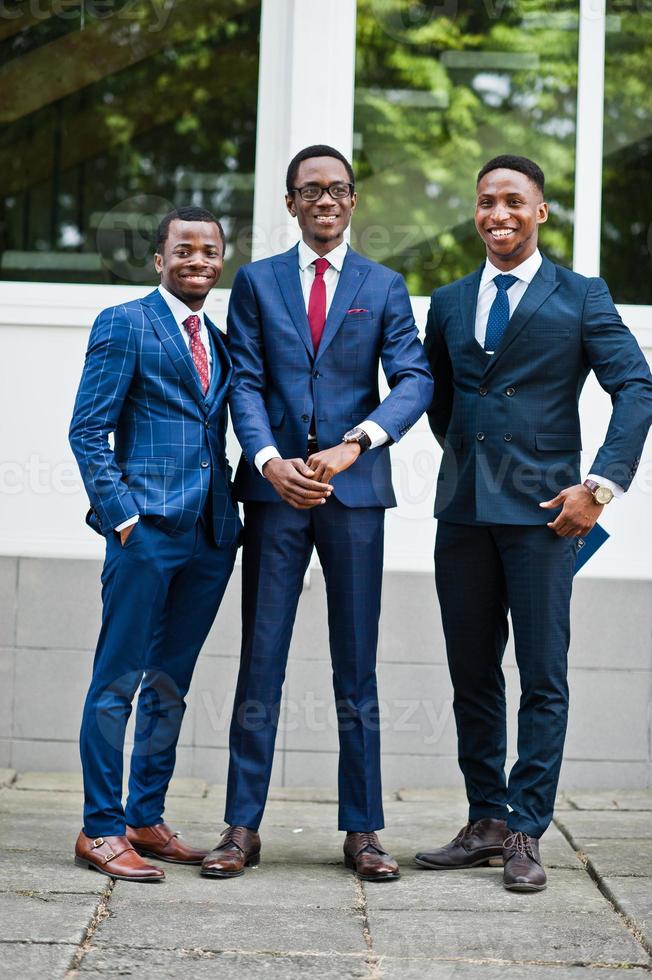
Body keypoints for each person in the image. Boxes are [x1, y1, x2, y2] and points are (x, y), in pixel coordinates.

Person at [416, 155, 652, 891]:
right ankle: (485, 818)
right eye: (486, 202)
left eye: (514, 201)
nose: (498, 214)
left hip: (548, 516)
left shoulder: (581, 296)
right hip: (462, 513)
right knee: (470, 673)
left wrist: (599, 488)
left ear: (540, 212)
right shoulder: (450, 302)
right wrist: (470, 464)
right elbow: (442, 402)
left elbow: (637, 387)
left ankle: (525, 827)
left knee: (542, 675)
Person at [199, 145, 433, 882]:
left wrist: (353, 445)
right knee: (260, 658)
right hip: (275, 496)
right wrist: (270, 460)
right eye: (311, 190)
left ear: (353, 201)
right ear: (291, 203)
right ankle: (241, 826)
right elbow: (244, 383)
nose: (326, 200)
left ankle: (362, 830)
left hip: (353, 496)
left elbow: (414, 378)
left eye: (338, 189)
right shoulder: (257, 282)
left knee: (354, 662)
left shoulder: (383, 285)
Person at [69, 206, 241, 882]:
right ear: (160, 259)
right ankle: (100, 827)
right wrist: (123, 519)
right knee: (117, 682)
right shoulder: (125, 323)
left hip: (209, 536)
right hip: (145, 535)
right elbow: (88, 430)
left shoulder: (220, 340)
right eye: (184, 249)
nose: (197, 259)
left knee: (171, 684)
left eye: (210, 250)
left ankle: (145, 814)